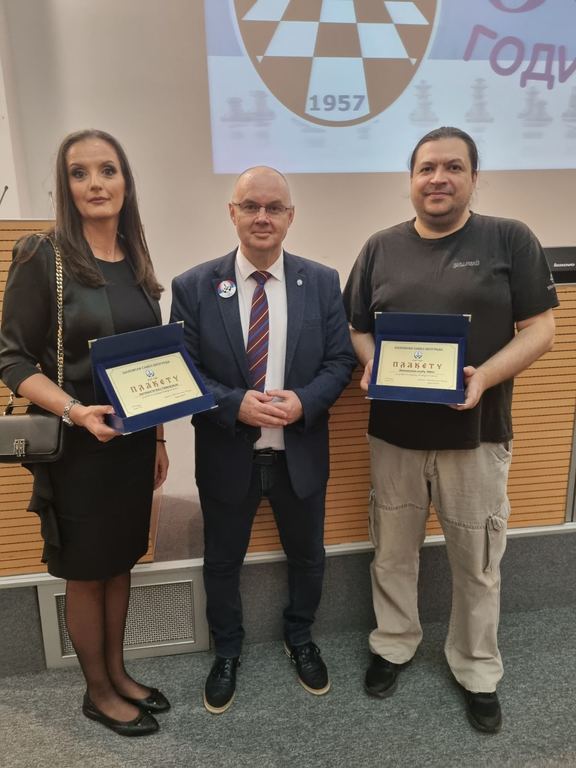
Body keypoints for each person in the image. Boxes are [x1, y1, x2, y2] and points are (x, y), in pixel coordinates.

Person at [343, 127, 558, 733]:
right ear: (411, 179)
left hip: (477, 435)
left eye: (453, 167)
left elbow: (541, 330)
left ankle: (477, 667)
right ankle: (393, 644)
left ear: (473, 177)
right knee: (391, 553)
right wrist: (371, 363)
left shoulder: (509, 238)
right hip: (395, 437)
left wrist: (483, 377)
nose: (438, 178)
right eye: (427, 168)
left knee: (478, 561)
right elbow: (358, 327)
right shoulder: (380, 247)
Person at [0, 129, 170, 737]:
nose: (95, 183)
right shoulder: (42, 255)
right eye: (79, 173)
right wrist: (75, 411)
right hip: (78, 447)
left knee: (120, 562)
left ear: (126, 182)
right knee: (87, 570)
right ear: (65, 185)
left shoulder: (135, 258)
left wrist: (159, 440)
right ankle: (97, 692)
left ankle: (118, 674)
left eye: (107, 170)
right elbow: (12, 359)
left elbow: (153, 361)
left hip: (131, 444)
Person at [171, 166, 356, 714]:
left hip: (300, 450)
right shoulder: (193, 286)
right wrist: (234, 404)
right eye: (250, 206)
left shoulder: (320, 281)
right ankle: (227, 650)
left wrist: (305, 402)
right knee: (222, 561)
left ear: (290, 217)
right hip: (228, 452)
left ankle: (300, 637)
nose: (262, 217)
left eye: (274, 207)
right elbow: (183, 371)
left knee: (309, 556)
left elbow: (340, 361)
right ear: (232, 212)